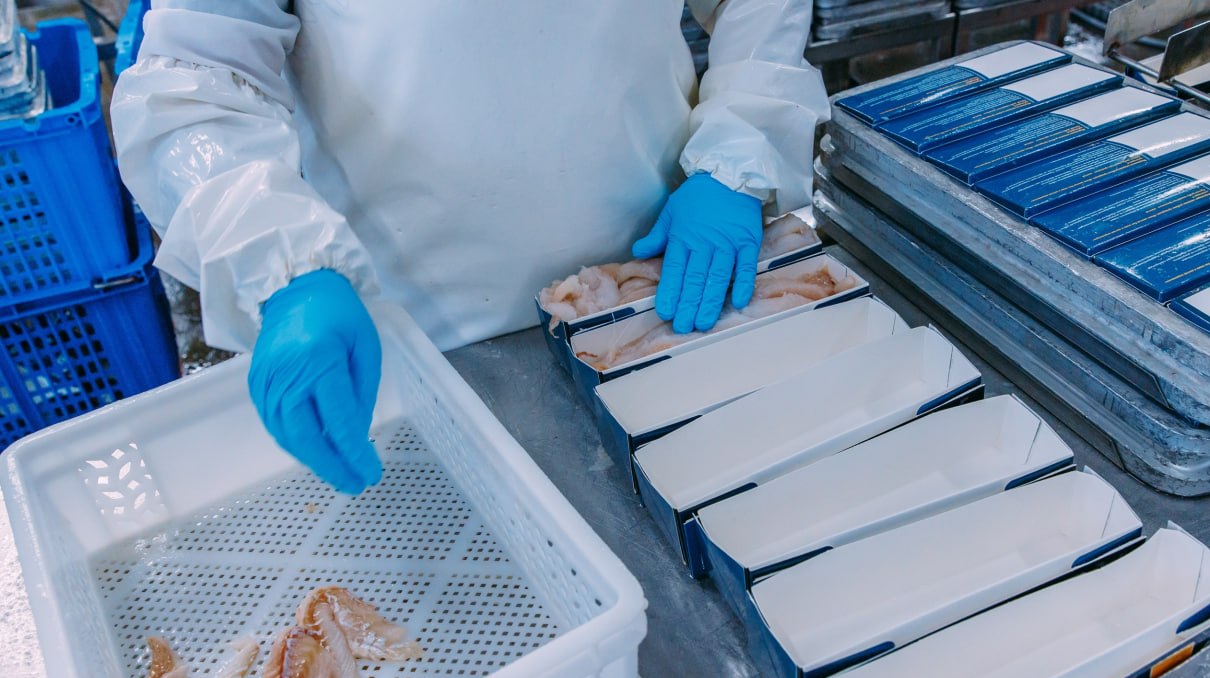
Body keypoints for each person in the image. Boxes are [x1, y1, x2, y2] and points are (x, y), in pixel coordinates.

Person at [112, 1, 829, 495]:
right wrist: (284, 269)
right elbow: (196, 84)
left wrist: (739, 149)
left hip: (658, 289)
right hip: (415, 341)